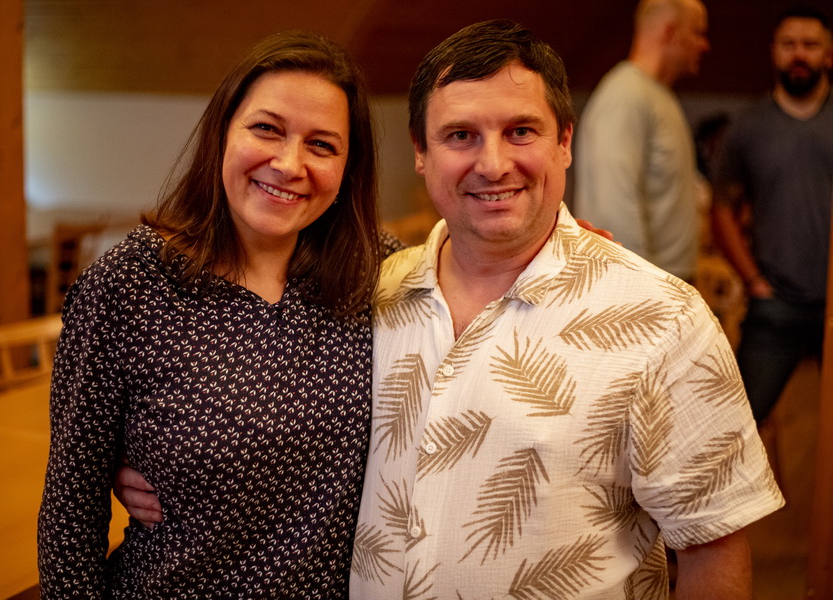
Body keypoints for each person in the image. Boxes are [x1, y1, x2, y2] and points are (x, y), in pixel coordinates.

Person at [348, 20, 782, 599]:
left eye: (521, 131)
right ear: (421, 152)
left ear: (565, 142)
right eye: (461, 135)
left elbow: (713, 548)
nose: (493, 164)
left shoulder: (663, 319)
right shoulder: (372, 295)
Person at [37, 30, 391, 598]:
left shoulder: (378, 274)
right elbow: (69, 519)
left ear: (349, 167)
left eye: (322, 145)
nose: (289, 163)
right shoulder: (127, 286)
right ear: (222, 130)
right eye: (266, 128)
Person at [711, 5, 833, 425]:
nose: (799, 53)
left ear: (828, 55)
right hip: (774, 305)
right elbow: (722, 208)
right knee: (736, 425)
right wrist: (754, 281)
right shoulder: (748, 127)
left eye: (810, 45)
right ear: (774, 52)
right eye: (788, 44)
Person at [573, 0, 710, 282]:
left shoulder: (658, 95)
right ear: (670, 32)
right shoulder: (625, 95)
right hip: (643, 285)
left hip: (670, 282)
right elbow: (612, 204)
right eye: (697, 32)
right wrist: (641, 288)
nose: (704, 45)